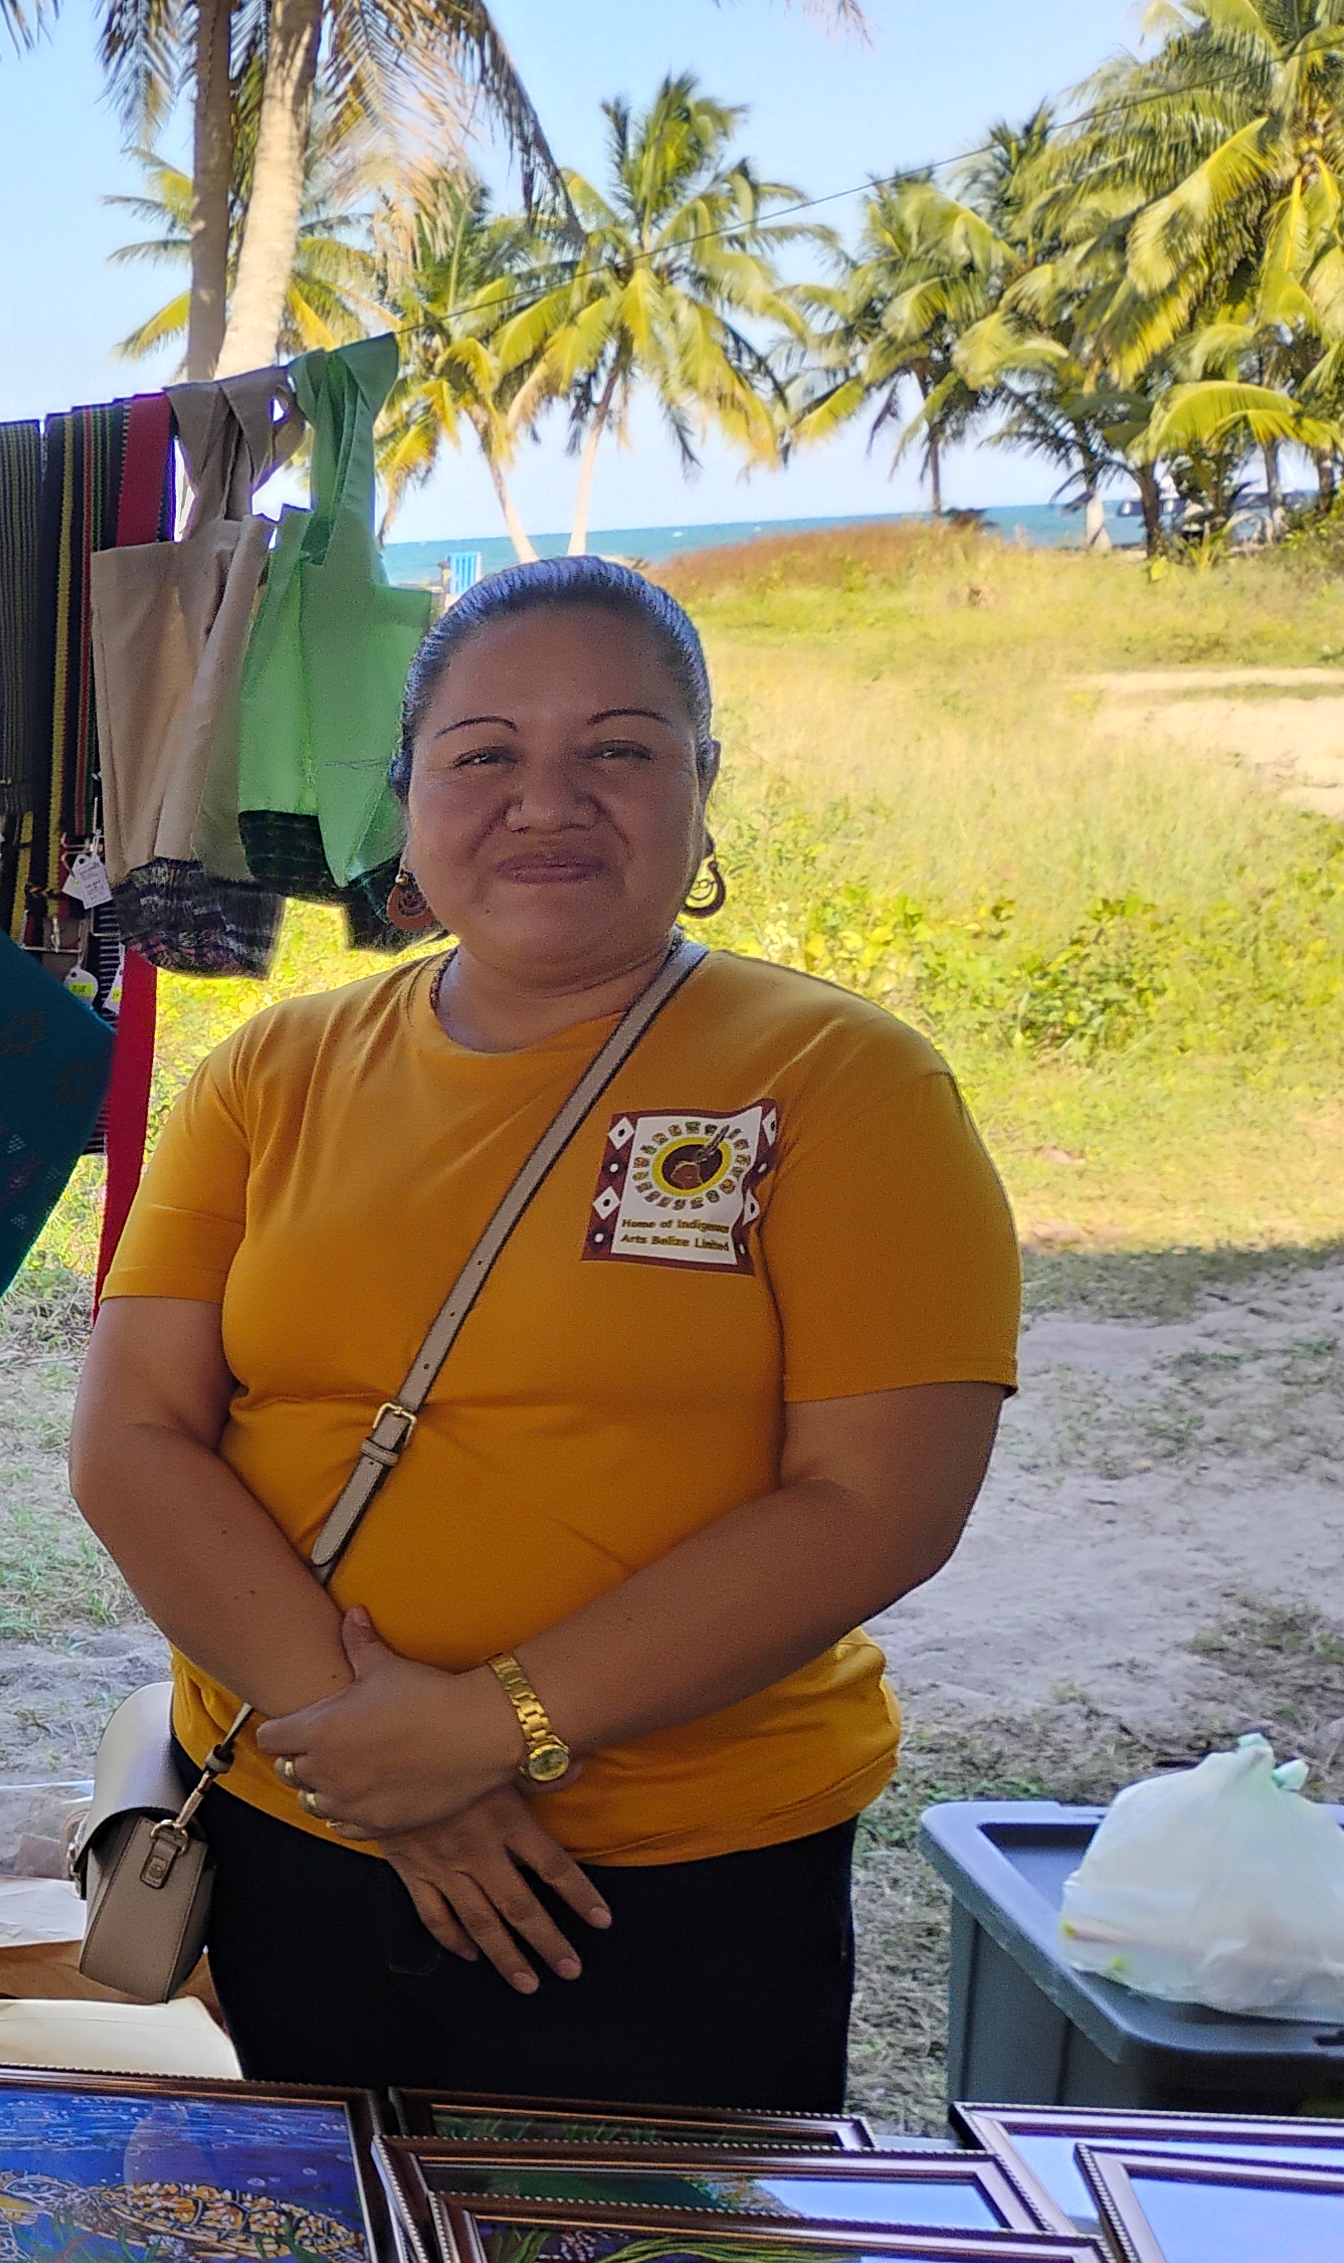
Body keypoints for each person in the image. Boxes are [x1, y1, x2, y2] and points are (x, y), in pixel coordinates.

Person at [70, 556, 1018, 2107]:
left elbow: (880, 1503)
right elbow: (131, 1439)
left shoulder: (849, 1086)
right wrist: (380, 1756)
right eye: (485, 753)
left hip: (665, 1889)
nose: (547, 800)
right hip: (297, 1837)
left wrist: (491, 1727)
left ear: (702, 790)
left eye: (620, 750)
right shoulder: (272, 1072)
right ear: (410, 798)